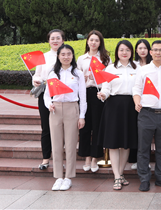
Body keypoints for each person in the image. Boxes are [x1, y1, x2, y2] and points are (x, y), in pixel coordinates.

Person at [133, 40, 161, 192]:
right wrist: (137, 102)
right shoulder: (143, 70)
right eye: (155, 50)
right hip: (146, 113)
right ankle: (144, 178)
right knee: (143, 148)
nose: (158, 52)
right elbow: (136, 89)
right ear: (151, 52)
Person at [44, 44, 87, 191]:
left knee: (70, 145)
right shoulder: (53, 73)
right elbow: (46, 95)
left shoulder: (78, 73)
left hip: (72, 108)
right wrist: (49, 104)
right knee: (56, 145)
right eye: (63, 54)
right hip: (55, 110)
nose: (66, 57)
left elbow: (83, 97)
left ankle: (68, 177)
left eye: (69, 54)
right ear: (58, 56)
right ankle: (58, 177)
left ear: (72, 56)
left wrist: (82, 116)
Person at [97, 40, 138, 190]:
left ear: (131, 52)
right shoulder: (110, 68)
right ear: (117, 52)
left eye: (127, 50)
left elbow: (140, 87)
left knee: (126, 143)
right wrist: (103, 94)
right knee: (113, 143)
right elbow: (106, 88)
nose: (124, 52)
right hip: (114, 106)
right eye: (121, 50)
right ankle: (116, 176)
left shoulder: (138, 68)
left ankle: (120, 174)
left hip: (131, 106)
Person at [77, 30, 110, 173]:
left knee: (97, 126)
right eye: (91, 40)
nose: (94, 43)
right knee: (85, 127)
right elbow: (75, 77)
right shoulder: (81, 59)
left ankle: (95, 158)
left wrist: (98, 77)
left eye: (96, 40)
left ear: (100, 42)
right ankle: (86, 158)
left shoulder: (105, 59)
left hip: (99, 94)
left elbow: (109, 78)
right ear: (87, 41)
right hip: (84, 93)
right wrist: (83, 78)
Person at [32, 29, 65, 170]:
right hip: (45, 93)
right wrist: (36, 80)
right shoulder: (43, 57)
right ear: (49, 41)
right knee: (46, 127)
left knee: (60, 128)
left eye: (58, 38)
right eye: (52, 38)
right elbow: (37, 74)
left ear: (63, 40)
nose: (55, 41)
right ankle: (45, 158)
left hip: (62, 94)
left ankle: (59, 159)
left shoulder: (66, 55)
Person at [130, 39, 152, 167]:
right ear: (136, 50)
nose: (142, 50)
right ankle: (135, 160)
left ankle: (146, 161)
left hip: (150, 102)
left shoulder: (153, 64)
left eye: (145, 48)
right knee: (135, 131)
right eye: (140, 48)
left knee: (147, 134)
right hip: (135, 101)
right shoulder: (133, 65)